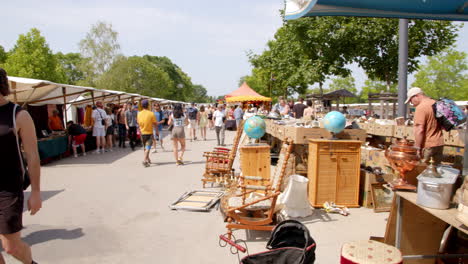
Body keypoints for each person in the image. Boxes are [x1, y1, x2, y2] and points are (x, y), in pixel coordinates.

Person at [0, 68, 41, 264]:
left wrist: (36, 192)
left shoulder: (18, 114)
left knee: (12, 247)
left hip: (8, 190)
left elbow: (32, 156)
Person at [406, 87, 444, 165]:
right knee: (435, 170)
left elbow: (420, 129)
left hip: (428, 145)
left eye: (410, 100)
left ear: (416, 96)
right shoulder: (435, 103)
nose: (411, 103)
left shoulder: (421, 108)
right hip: (439, 143)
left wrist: (417, 147)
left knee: (423, 170)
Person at [137, 100, 157, 167]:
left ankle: (148, 159)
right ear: (148, 105)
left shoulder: (139, 114)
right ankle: (145, 160)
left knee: (145, 148)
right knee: (148, 147)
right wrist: (157, 131)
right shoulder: (151, 113)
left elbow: (139, 123)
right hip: (149, 133)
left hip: (142, 133)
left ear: (142, 106)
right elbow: (155, 123)